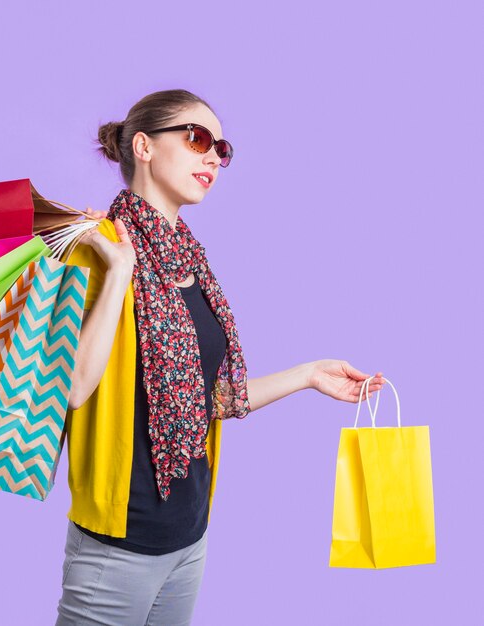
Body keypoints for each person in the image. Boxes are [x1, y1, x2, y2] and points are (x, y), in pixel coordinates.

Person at [54, 89, 386, 625]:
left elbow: (212, 398)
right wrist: (119, 273)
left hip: (188, 540)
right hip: (117, 550)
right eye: (197, 139)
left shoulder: (190, 260)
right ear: (143, 145)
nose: (213, 157)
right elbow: (70, 389)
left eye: (221, 148)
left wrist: (308, 375)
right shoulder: (96, 251)